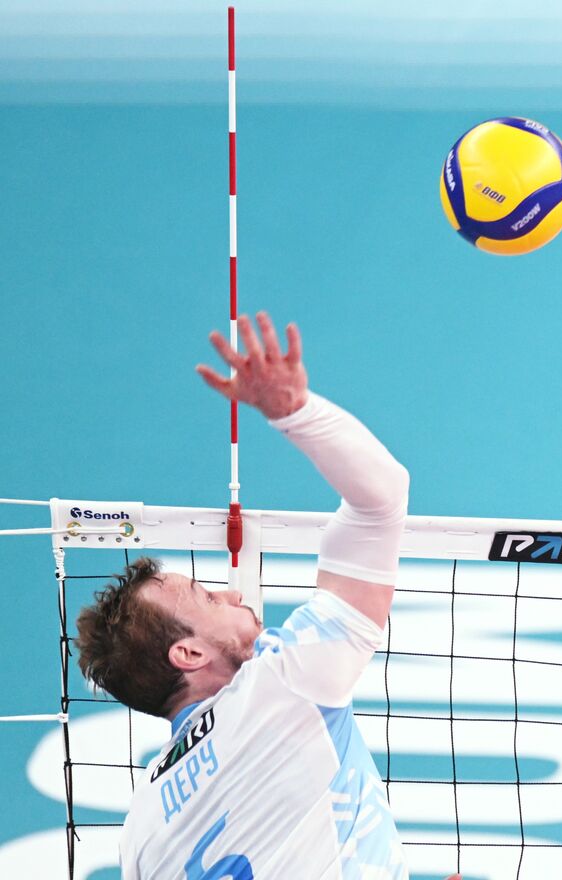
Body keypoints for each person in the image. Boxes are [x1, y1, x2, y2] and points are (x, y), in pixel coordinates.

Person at [75, 312, 411, 879]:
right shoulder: (282, 684)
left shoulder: (142, 832)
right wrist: (294, 411)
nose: (232, 595)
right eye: (207, 599)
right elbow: (380, 501)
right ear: (188, 653)